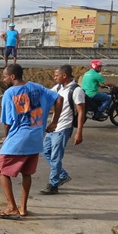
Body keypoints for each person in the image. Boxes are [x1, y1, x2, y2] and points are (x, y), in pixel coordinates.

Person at [0, 64, 63, 219]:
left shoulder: (10, 93)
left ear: (12, 77)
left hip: (19, 138)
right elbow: (59, 99)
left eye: (5, 76)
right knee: (26, 173)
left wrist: (6, 137)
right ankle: (23, 208)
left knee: (1, 171)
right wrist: (54, 122)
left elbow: (7, 122)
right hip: (36, 138)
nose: (4, 79)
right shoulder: (37, 87)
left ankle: (12, 207)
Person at [40, 64, 85, 195]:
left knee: (56, 157)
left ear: (64, 75)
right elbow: (46, 94)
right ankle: (62, 174)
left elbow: (81, 111)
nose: (54, 77)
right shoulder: (58, 87)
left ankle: (53, 185)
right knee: (44, 150)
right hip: (54, 126)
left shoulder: (76, 91)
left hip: (64, 127)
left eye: (56, 75)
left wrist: (79, 132)